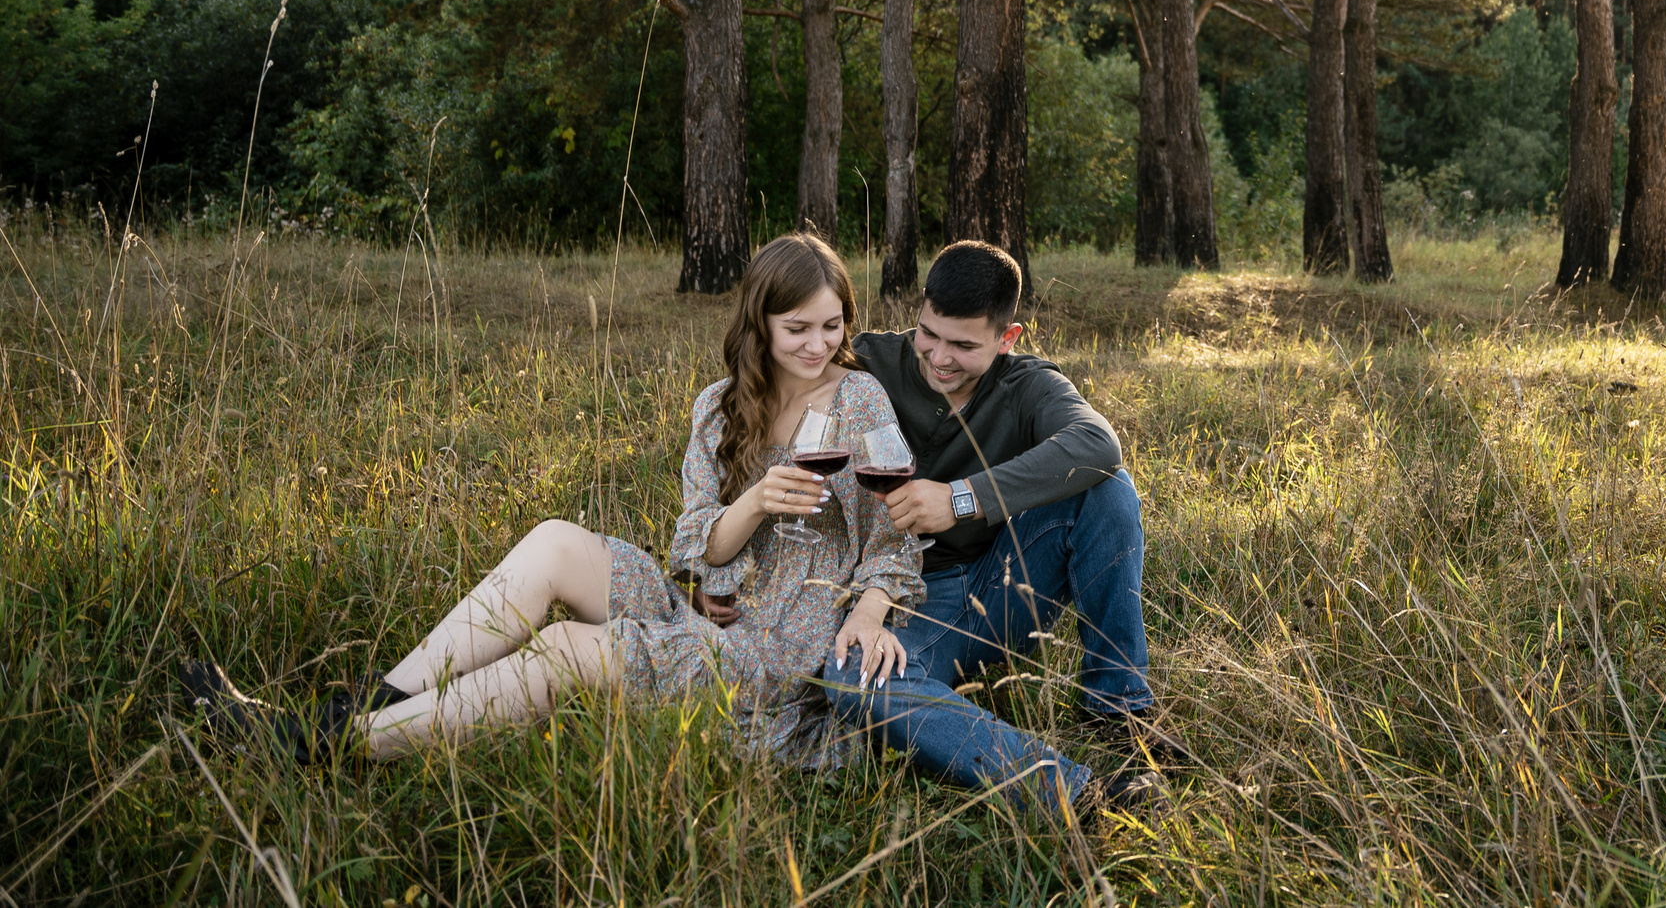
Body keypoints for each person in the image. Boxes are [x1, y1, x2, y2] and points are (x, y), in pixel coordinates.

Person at [176, 234, 1134, 812]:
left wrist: (874, 602)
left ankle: (335, 750)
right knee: (555, 540)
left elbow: (895, 542)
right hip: (720, 609)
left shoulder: (864, 400)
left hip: (786, 650)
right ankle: (366, 704)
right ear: (761, 325)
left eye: (833, 326)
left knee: (574, 651)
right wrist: (754, 503)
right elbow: (693, 549)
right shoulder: (720, 405)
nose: (820, 344)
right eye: (798, 328)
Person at [815, 239, 1185, 764]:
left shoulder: (1027, 384)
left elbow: (1099, 445)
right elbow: (768, 398)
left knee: (1108, 488)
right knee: (855, 681)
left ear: (1007, 338)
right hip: (903, 602)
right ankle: (1065, 785)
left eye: (964, 345)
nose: (939, 357)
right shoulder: (871, 361)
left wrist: (962, 499)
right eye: (928, 334)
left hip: (1007, 586)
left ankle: (1119, 710)